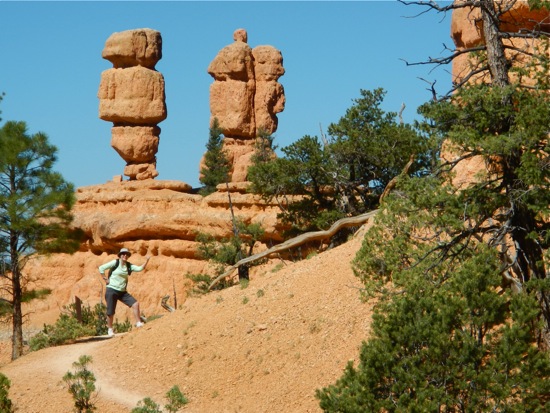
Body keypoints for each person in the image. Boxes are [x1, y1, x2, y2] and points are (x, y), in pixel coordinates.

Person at [98, 247, 151, 337]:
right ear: (120, 255)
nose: (125, 255)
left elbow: (139, 269)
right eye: (123, 254)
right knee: (111, 311)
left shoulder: (129, 266)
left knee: (135, 304)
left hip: (122, 292)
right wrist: (105, 279)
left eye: (126, 254)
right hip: (111, 290)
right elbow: (101, 268)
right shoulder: (115, 263)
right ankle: (110, 329)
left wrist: (146, 261)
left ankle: (138, 323)